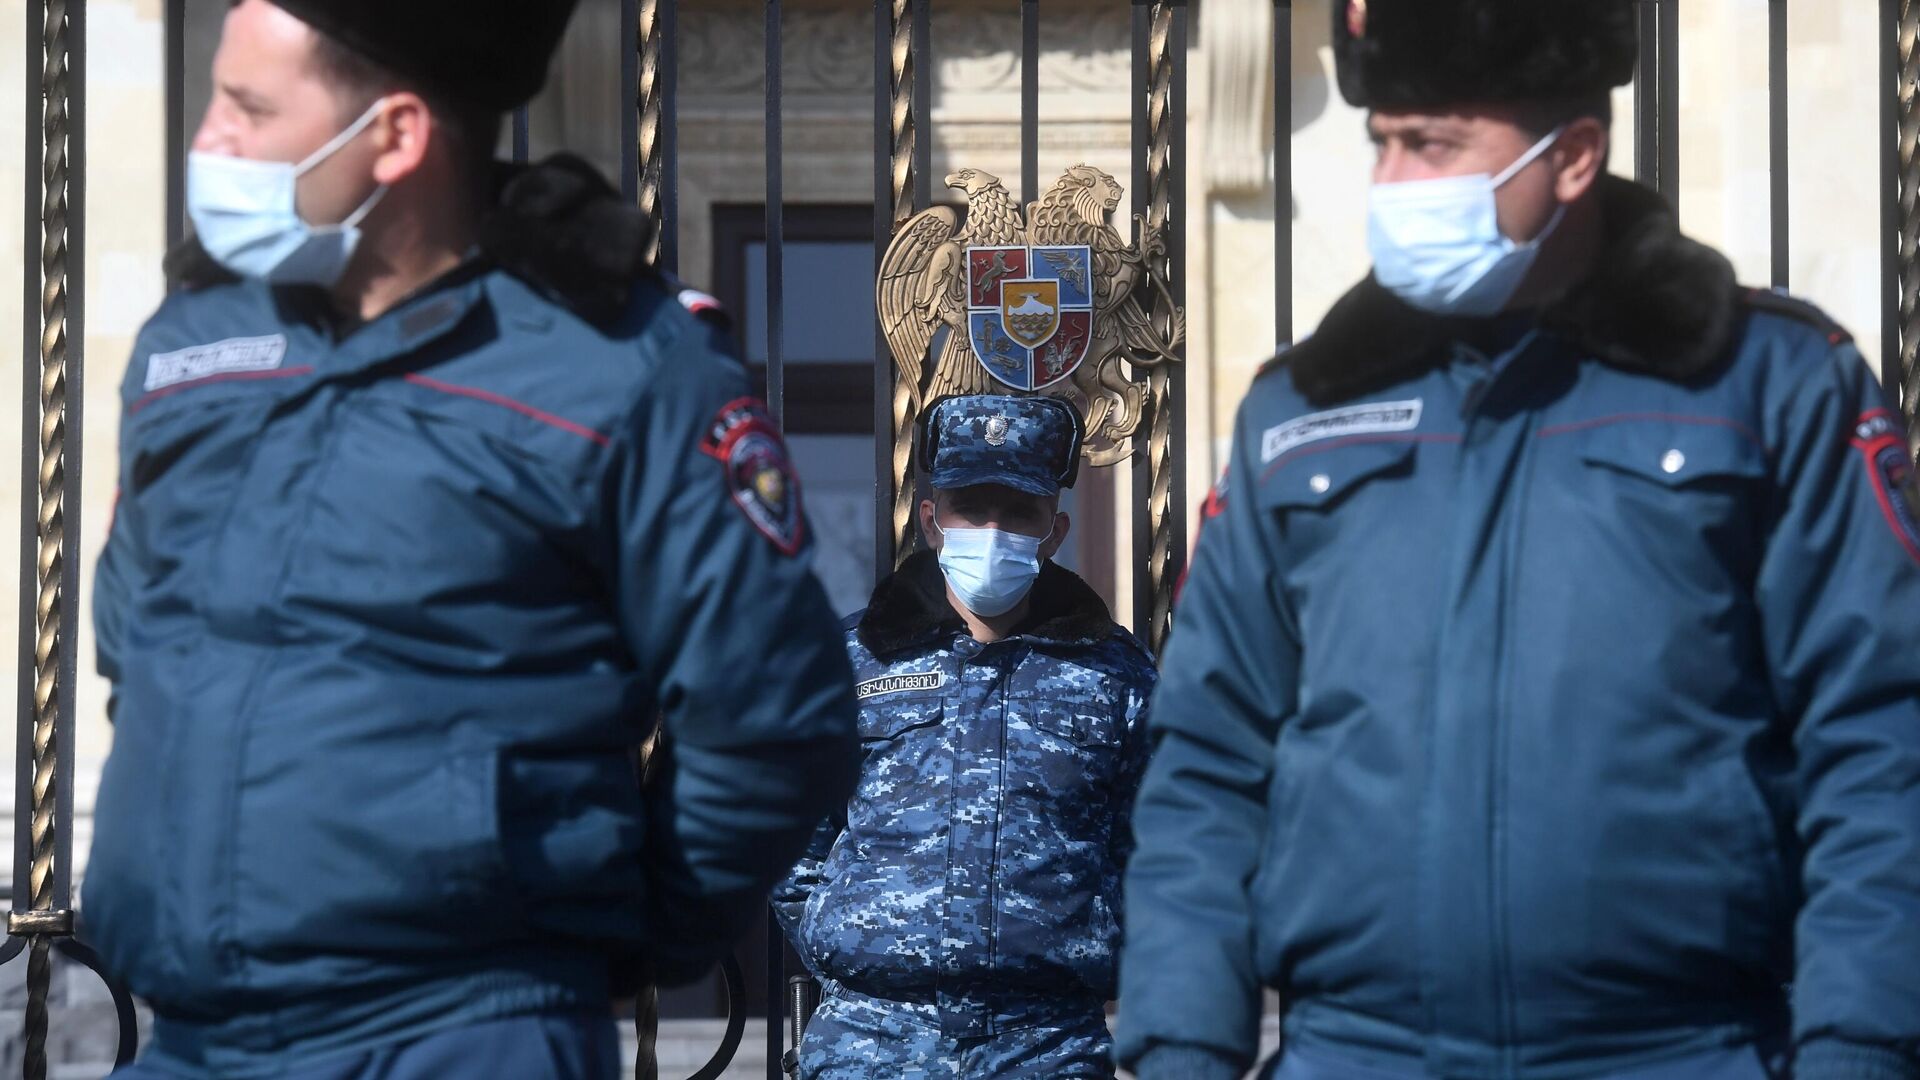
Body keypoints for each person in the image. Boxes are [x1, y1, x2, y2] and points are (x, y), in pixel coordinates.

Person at [1116, 1, 1920, 1078]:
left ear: (1573, 156)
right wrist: (1179, 1049)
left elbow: (1878, 736)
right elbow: (1210, 758)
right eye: (1384, 142)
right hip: (1359, 1051)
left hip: (1678, 1050)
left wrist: (1861, 1048)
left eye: (1434, 144)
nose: (1394, 181)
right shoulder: (1300, 407)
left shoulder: (1770, 381)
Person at [85, 1, 858, 1076]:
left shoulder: (619, 369)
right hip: (189, 1036)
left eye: (249, 107)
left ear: (396, 136)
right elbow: (136, 640)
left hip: (458, 1035)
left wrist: (627, 933)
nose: (209, 139)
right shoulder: (197, 339)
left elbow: (773, 713)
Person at [773, 394, 1156, 1079]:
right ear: (932, 521)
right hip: (872, 1042)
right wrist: (854, 943)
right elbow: (791, 837)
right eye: (971, 509)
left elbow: (1153, 847)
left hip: (1046, 1046)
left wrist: (1096, 939)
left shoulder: (1115, 676)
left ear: (1054, 530)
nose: (992, 530)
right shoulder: (851, 662)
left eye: (1018, 512)